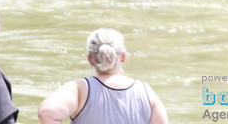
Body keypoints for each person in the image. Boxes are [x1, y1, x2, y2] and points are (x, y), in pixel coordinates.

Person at [37, 27, 168, 124]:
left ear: (90, 59)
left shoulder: (80, 89)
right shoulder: (145, 91)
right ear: (123, 57)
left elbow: (47, 113)